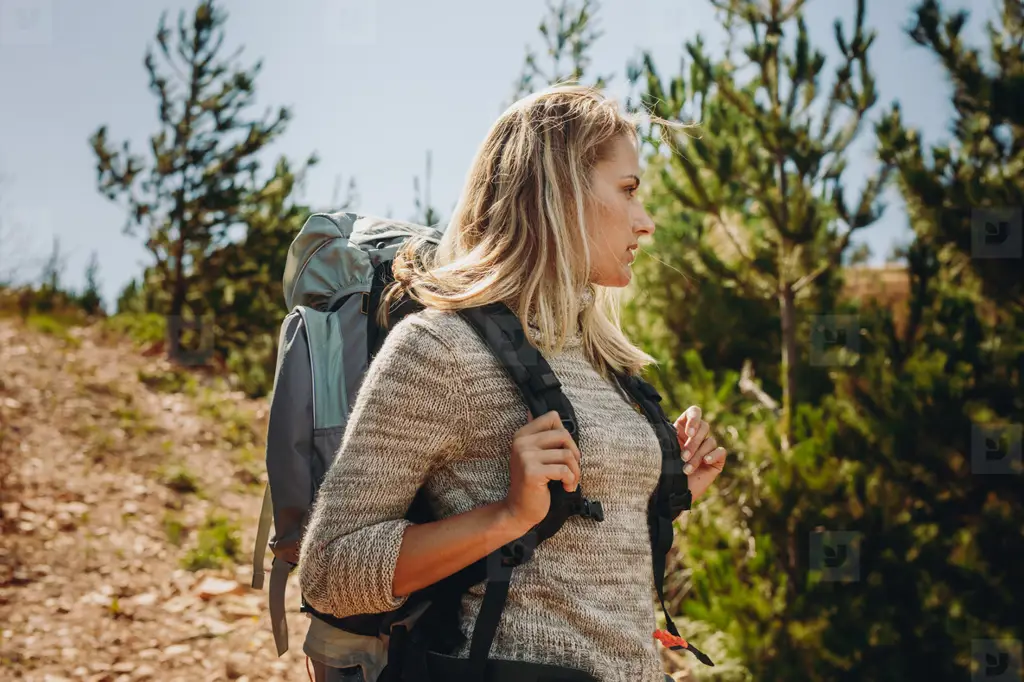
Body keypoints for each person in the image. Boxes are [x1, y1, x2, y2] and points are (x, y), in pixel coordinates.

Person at [297, 83, 728, 682]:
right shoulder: (440, 349)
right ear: (562, 193)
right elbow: (329, 572)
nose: (646, 220)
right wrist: (504, 516)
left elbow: (579, 561)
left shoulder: (603, 361)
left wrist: (669, 491)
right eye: (627, 190)